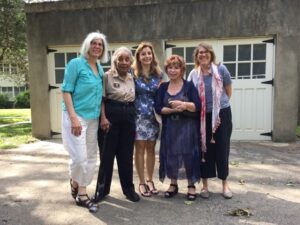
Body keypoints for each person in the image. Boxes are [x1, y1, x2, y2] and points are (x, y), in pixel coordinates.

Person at [61, 31, 109, 212]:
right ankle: (79, 189)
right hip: (76, 116)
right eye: (94, 43)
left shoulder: (99, 67)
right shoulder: (75, 64)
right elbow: (66, 90)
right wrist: (73, 118)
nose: (97, 46)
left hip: (93, 118)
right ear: (87, 45)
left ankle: (80, 189)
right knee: (80, 158)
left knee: (90, 157)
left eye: (100, 44)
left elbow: (100, 96)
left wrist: (102, 116)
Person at [93, 47, 140, 203]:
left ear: (131, 62)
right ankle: (102, 191)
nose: (124, 62)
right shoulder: (106, 76)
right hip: (110, 116)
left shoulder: (132, 77)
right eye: (120, 59)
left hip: (128, 116)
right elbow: (101, 99)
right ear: (115, 61)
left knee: (126, 157)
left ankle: (128, 190)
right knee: (107, 156)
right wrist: (103, 118)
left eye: (127, 59)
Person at [187, 42, 233, 199]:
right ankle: (205, 186)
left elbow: (228, 91)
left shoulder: (221, 69)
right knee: (204, 150)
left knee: (222, 148)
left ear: (211, 54)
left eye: (206, 52)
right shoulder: (193, 74)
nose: (203, 55)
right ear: (196, 56)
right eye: (200, 52)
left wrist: (216, 109)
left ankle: (225, 184)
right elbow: (190, 95)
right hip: (202, 117)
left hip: (221, 114)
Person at [155, 55, 201, 201]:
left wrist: (184, 105)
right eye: (170, 67)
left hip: (187, 129)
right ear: (166, 69)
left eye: (176, 67)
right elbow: (157, 108)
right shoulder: (163, 87)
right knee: (171, 155)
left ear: (182, 70)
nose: (173, 70)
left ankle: (191, 185)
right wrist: (173, 110)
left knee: (188, 156)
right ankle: (173, 184)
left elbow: (197, 106)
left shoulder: (189, 86)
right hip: (170, 129)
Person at [132, 42, 162, 197]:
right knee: (140, 149)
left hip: (153, 117)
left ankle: (150, 180)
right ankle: (142, 182)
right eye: (143, 53)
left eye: (149, 53)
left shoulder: (159, 74)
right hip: (137, 116)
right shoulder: (132, 73)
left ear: (152, 55)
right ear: (138, 56)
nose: (146, 56)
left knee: (151, 149)